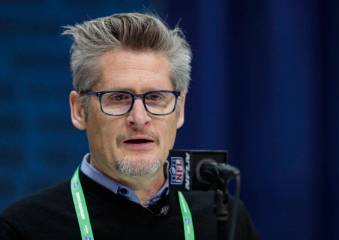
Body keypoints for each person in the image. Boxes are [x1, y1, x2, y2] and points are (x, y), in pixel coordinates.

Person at [0, 12, 259, 240]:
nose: (139, 117)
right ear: (80, 111)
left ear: (180, 110)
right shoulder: (23, 228)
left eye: (155, 97)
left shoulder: (223, 220)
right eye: (118, 97)